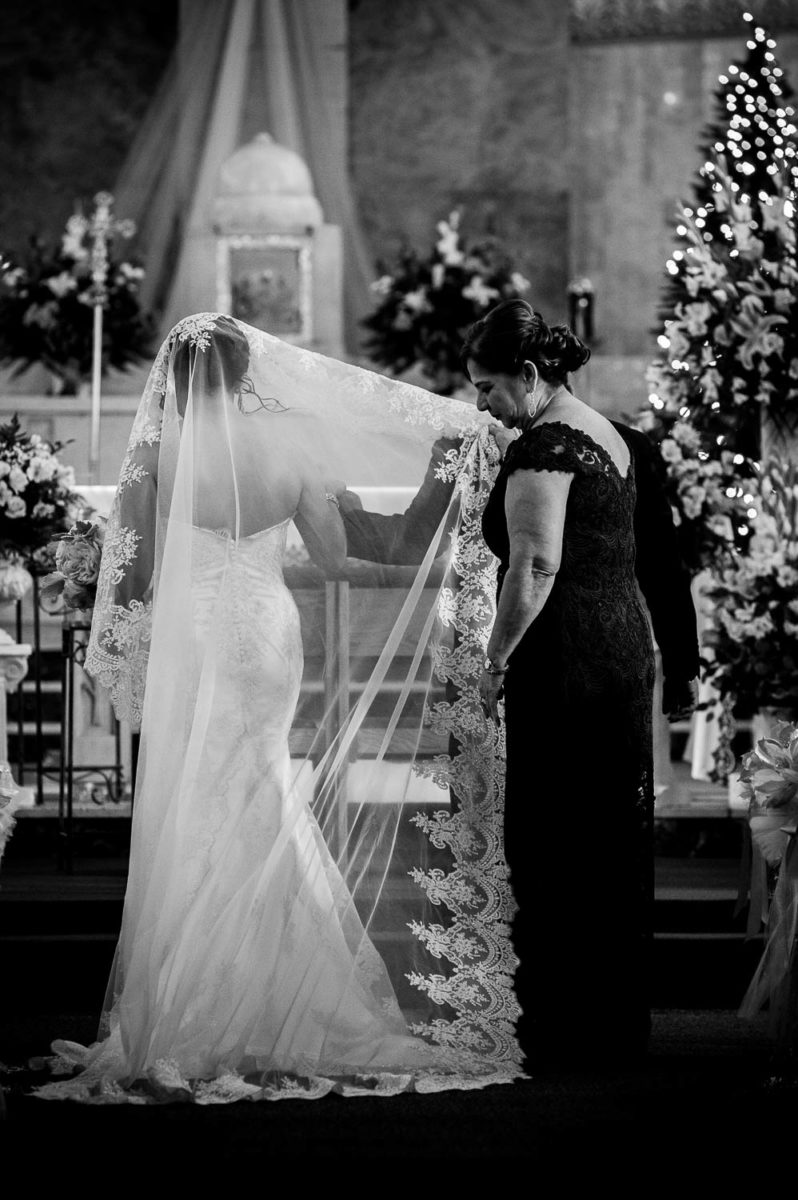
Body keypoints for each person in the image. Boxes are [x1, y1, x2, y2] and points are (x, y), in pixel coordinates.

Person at [34, 314, 524, 1103]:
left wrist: (113, 583)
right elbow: (335, 556)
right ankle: (292, 987)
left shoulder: (159, 453)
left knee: (199, 791)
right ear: (246, 372)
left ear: (178, 381)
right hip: (265, 630)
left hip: (195, 630)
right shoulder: (292, 443)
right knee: (264, 781)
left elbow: (138, 573)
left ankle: (191, 997)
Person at [464, 298, 660, 1070]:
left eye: (488, 388)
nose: (483, 404)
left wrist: (496, 657)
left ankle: (564, 1032)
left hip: (569, 657)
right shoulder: (607, 433)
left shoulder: (543, 446)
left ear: (530, 375)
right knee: (604, 836)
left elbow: (535, 563)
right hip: (620, 645)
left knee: (554, 835)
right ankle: (608, 1024)